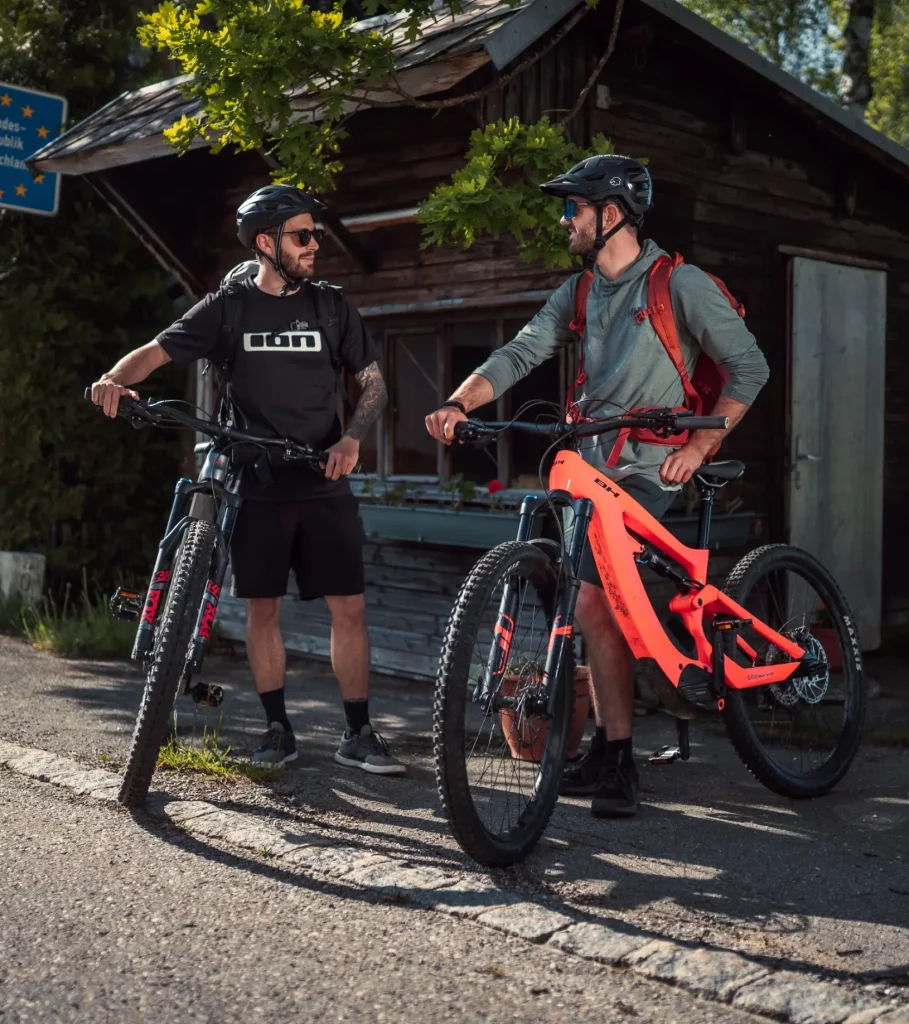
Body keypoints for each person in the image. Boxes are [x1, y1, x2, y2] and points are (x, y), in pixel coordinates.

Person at [425, 155, 768, 817]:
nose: (564, 220)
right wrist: (459, 402)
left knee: (590, 605)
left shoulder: (677, 283)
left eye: (572, 208)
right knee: (587, 606)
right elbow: (521, 350)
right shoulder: (580, 293)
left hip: (647, 470)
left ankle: (617, 758)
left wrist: (700, 445)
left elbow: (748, 367)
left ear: (610, 214)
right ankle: (609, 749)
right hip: (587, 469)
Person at [90, 185, 405, 775]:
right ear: (267, 243)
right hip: (257, 482)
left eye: (315, 234)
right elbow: (156, 353)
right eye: (302, 236)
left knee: (350, 609)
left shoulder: (333, 307)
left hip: (323, 478)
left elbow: (374, 385)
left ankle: (359, 734)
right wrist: (112, 378)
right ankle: (277, 730)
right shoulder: (226, 308)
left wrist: (351, 438)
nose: (316, 245)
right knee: (262, 610)